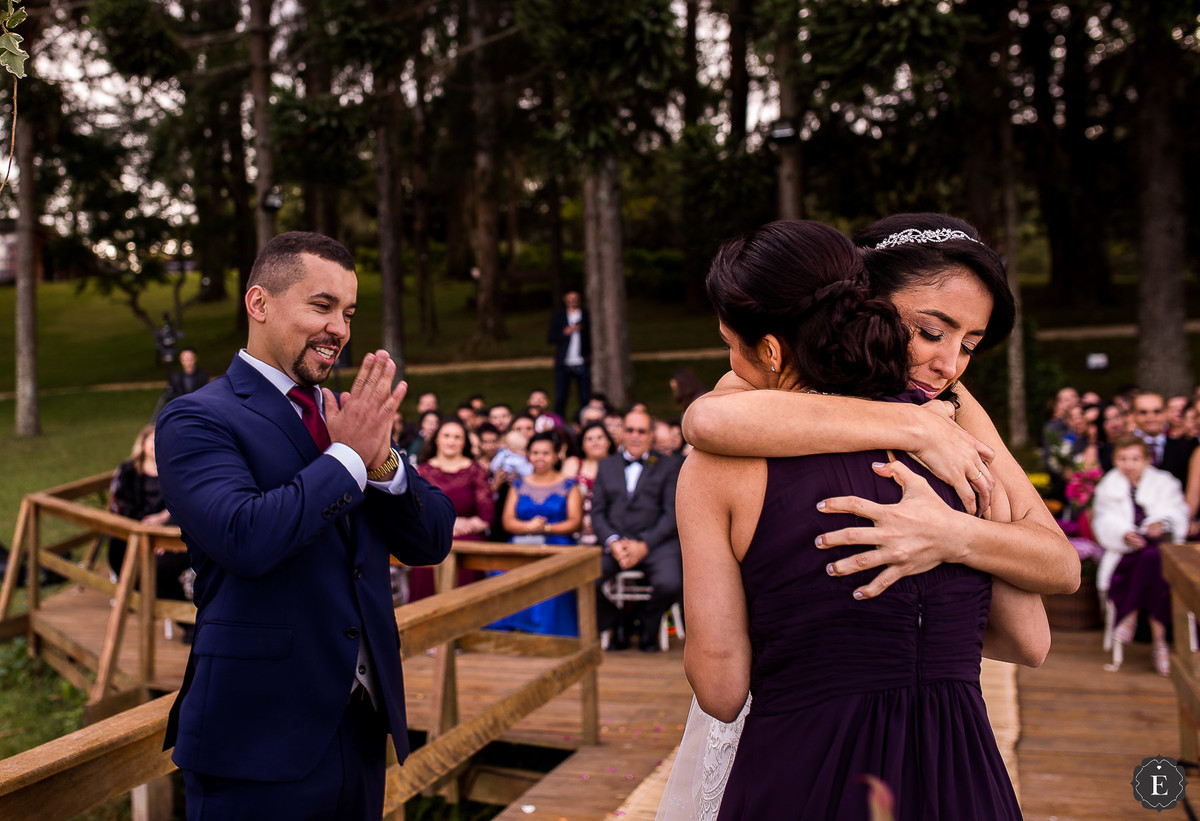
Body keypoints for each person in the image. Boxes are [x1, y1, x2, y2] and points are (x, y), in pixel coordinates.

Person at [665, 216, 1059, 819]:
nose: (950, 363)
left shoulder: (955, 413)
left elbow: (1059, 566)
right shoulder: (939, 431)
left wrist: (955, 535)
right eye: (930, 331)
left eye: (971, 346)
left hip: (805, 756)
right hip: (952, 765)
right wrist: (912, 427)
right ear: (862, 302)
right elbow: (706, 420)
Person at [155, 231, 455, 820]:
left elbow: (432, 538)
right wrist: (345, 459)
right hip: (255, 740)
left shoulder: (345, 415)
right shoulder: (196, 418)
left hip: (362, 728)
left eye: (347, 313)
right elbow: (245, 536)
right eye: (321, 306)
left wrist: (383, 462)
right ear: (259, 303)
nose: (340, 329)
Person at [1092, 434, 1188, 676]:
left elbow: (1177, 512)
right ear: (1115, 460)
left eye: (1135, 458)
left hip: (1158, 550)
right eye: (1123, 458)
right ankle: (1160, 643)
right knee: (1148, 560)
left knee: (1153, 558)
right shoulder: (1108, 486)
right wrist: (1124, 534)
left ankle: (1130, 616)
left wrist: (1161, 523)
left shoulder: (1165, 483)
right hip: (1126, 554)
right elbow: (1103, 520)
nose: (1129, 464)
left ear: (1147, 460)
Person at [590, 408, 683, 653]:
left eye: (641, 431)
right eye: (629, 429)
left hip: (656, 544)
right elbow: (597, 512)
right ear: (621, 432)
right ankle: (619, 620)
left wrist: (644, 544)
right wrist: (612, 542)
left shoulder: (670, 467)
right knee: (584, 578)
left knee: (671, 583)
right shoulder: (606, 466)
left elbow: (671, 513)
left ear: (651, 435)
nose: (634, 435)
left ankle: (647, 625)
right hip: (616, 545)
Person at [489, 431, 584, 636]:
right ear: (528, 455)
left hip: (558, 544)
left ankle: (547, 628)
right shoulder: (518, 484)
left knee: (553, 573)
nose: (540, 457)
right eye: (535, 453)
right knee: (501, 571)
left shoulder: (569, 485)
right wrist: (528, 527)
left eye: (546, 453)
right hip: (522, 542)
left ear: (556, 455)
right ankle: (511, 626)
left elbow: (575, 522)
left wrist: (547, 528)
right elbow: (507, 520)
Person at [409, 417, 494, 601]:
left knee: (466, 559)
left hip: (467, 536)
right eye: (446, 435)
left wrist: (468, 524)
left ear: (464, 442)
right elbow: (414, 511)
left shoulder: (475, 471)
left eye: (457, 437)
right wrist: (445, 526)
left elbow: (486, 515)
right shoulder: (421, 471)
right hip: (431, 535)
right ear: (437, 439)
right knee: (425, 561)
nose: (451, 441)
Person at [107, 425, 190, 602]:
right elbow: (120, 504)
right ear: (142, 443)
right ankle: (133, 596)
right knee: (118, 549)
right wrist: (142, 527)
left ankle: (187, 620)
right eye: (150, 439)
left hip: (169, 532)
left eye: (159, 440)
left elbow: (185, 503)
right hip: (134, 530)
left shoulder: (175, 470)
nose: (155, 444)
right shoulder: (128, 471)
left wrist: (163, 518)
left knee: (158, 568)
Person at [547, 290, 592, 420]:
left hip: (582, 361)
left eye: (575, 298)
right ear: (565, 299)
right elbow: (550, 338)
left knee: (584, 396)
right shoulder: (559, 316)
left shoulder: (585, 315)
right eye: (570, 298)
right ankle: (559, 424)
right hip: (564, 362)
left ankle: (585, 422)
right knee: (561, 397)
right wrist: (565, 332)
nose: (573, 301)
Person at [573, 420, 617, 545]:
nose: (595, 442)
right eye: (589, 439)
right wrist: (578, 520)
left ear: (609, 441)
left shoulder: (620, 467)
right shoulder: (574, 464)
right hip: (578, 528)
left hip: (612, 529)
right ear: (582, 445)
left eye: (599, 437)